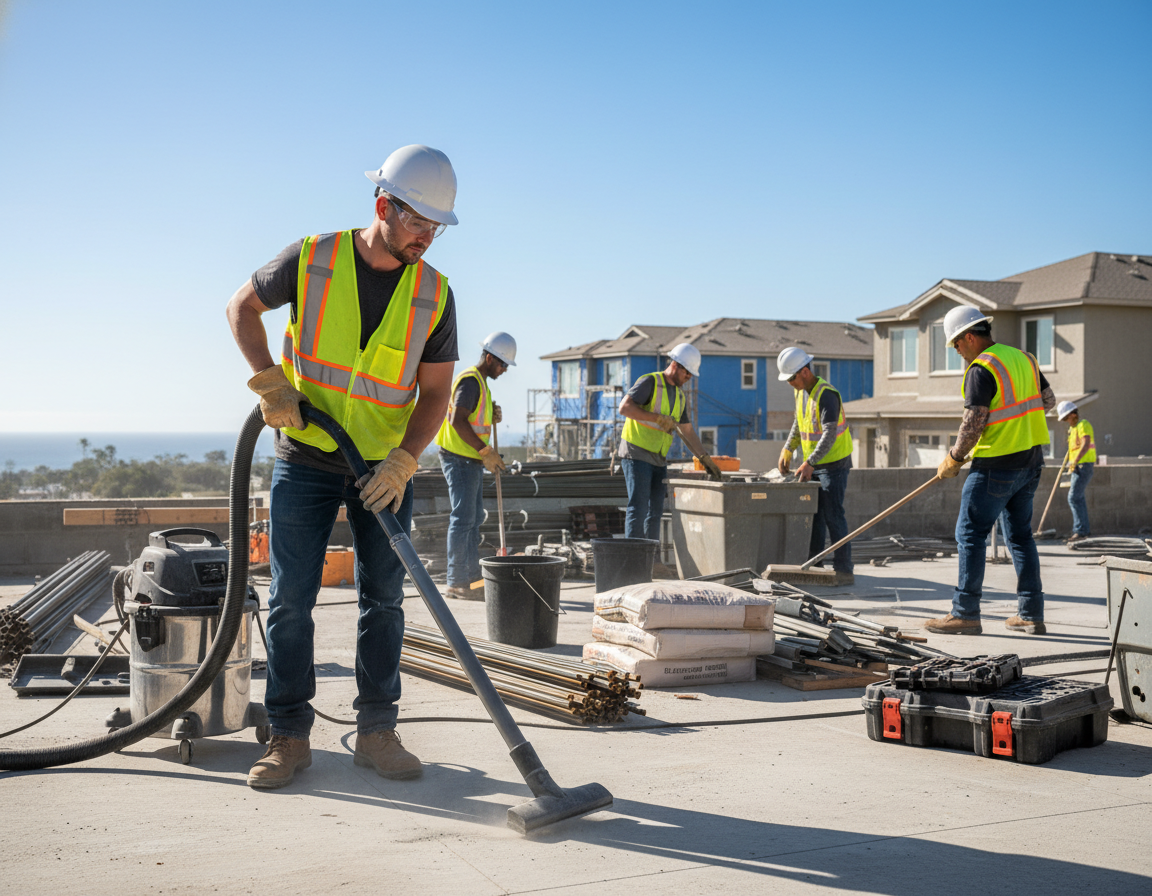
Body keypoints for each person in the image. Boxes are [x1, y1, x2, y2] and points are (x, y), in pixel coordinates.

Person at [226, 145, 461, 789]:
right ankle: (288, 735)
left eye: (436, 227)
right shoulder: (312, 258)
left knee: (384, 599)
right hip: (305, 456)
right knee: (290, 600)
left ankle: (377, 730)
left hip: (382, 469)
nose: (426, 237)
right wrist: (270, 382)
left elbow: (435, 393)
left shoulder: (435, 294)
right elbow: (240, 308)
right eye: (417, 221)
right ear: (384, 206)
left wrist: (406, 459)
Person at [925, 305, 1056, 636]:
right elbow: (1048, 401)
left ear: (969, 337)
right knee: (1021, 537)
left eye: (956, 344)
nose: (957, 351)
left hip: (996, 465)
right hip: (1031, 462)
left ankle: (965, 613)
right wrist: (1017, 423)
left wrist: (954, 457)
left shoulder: (981, 368)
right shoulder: (1024, 358)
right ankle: (1031, 614)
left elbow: (974, 422)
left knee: (970, 534)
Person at [434, 332, 516, 599]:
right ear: (490, 358)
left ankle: (470, 579)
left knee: (473, 518)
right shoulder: (471, 381)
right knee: (463, 518)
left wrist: (491, 411)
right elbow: (457, 421)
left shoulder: (480, 383)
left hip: (469, 458)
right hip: (459, 457)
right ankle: (457, 581)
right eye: (502, 364)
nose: (504, 370)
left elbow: (472, 415)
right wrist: (485, 451)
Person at [618, 343, 722, 541]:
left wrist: (704, 458)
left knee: (655, 512)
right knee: (639, 508)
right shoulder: (650, 382)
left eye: (691, 374)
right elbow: (624, 408)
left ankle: (651, 555)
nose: (689, 377)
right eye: (687, 372)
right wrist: (657, 418)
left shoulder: (680, 396)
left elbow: (687, 431)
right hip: (637, 453)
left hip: (658, 458)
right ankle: (633, 555)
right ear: (675, 365)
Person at [776, 347, 855, 586]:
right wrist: (788, 448)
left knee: (833, 515)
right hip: (814, 464)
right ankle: (815, 566)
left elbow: (829, 434)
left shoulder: (827, 394)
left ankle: (844, 569)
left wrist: (810, 462)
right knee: (815, 516)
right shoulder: (801, 392)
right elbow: (799, 422)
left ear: (804, 372)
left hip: (834, 464)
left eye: (791, 378)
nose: (789, 383)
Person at [1057, 400, 1096, 542]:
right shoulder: (1072, 429)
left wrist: (1075, 461)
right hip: (1077, 467)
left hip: (1083, 465)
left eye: (1066, 418)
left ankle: (1081, 531)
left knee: (1073, 497)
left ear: (1073, 414)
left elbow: (1085, 444)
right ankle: (1083, 530)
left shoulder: (1083, 425)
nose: (1066, 421)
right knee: (1077, 498)